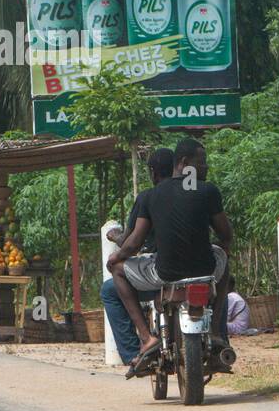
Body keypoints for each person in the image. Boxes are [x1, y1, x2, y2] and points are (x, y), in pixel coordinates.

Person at [108, 138, 233, 365]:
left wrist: (115, 258)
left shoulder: (150, 196)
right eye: (201, 162)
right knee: (224, 260)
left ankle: (146, 338)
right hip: (206, 271)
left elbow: (133, 243)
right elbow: (226, 235)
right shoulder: (208, 191)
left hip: (164, 274)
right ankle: (216, 333)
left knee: (117, 271)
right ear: (184, 162)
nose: (205, 167)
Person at [100, 148, 175, 365]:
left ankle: (136, 350)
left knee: (109, 290)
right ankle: (219, 337)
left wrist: (115, 238)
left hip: (157, 273)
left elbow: (131, 243)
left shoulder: (148, 198)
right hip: (195, 269)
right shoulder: (198, 192)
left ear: (153, 172)